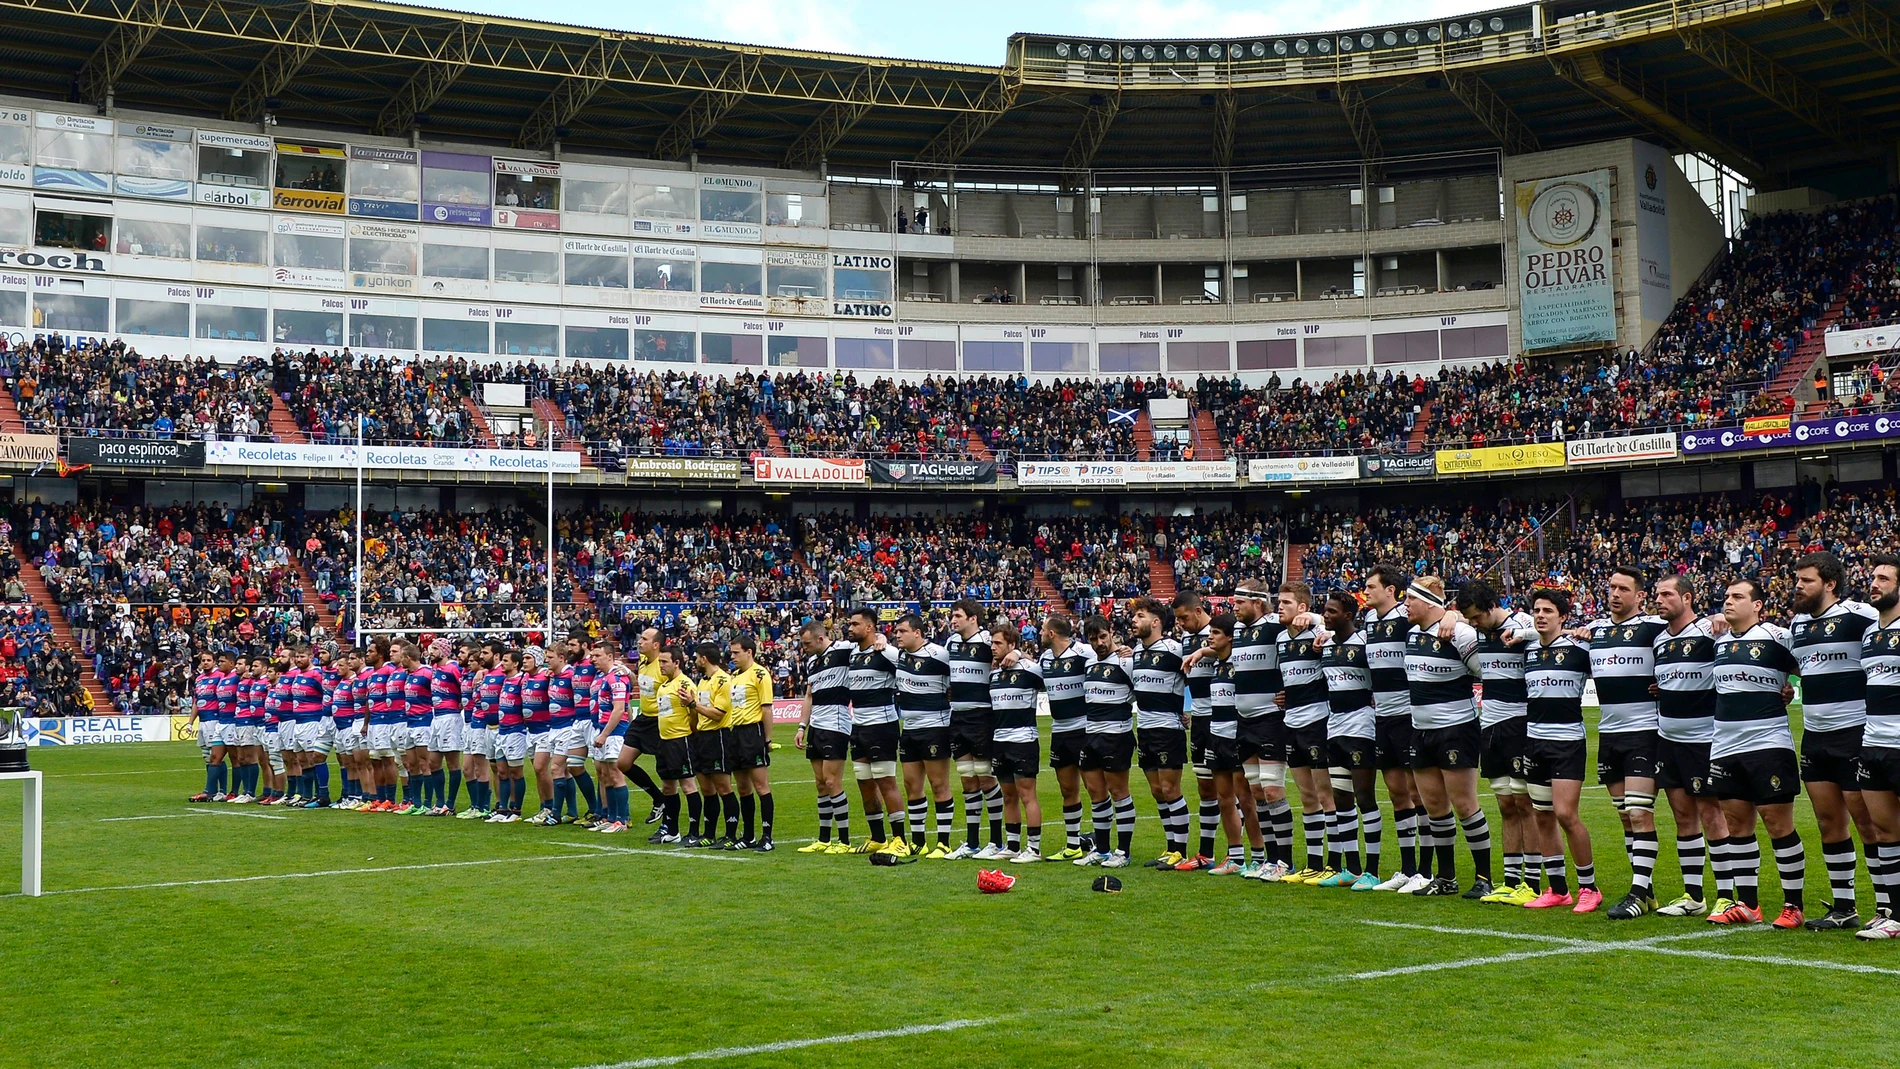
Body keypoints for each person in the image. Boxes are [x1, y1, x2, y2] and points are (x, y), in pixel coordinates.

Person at [1788, 550, 1880, 930]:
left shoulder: (1862, 616)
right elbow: (1795, 667)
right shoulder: (1796, 625)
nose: (1798, 585)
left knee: (1869, 823)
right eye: (1797, 579)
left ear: (1829, 584)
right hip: (1815, 736)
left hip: (1856, 734)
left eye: (1806, 580)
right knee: (1829, 822)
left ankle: (1888, 907)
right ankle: (1845, 906)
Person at [1707, 579, 1807, 929]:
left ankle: (1794, 905)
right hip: (1724, 745)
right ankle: (1748, 904)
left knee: (1778, 824)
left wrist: (1789, 690)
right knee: (1736, 823)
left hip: (1768, 743)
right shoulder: (1717, 642)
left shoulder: (1778, 638)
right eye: (1726, 597)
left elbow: (1807, 669)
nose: (1728, 602)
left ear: (1758, 605)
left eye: (1737, 597)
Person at [1576, 566, 1669, 918]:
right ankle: (1646, 891)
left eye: (1623, 589)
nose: (1614, 594)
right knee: (1626, 819)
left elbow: (1695, 635)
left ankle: (1636, 893)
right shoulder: (1595, 631)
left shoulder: (1654, 629)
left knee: (1639, 814)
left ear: (1639, 595)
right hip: (1609, 734)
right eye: (1611, 587)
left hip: (1645, 733)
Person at [1400, 576, 1494, 898]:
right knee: (1435, 807)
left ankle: (1484, 878)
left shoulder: (1461, 633)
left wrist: (1453, 617)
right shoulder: (1412, 634)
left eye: (1410, 599)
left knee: (1465, 805)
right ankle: (1446, 878)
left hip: (1456, 730)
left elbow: (1487, 671)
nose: (1405, 605)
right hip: (1419, 730)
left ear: (1427, 602)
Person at [1651, 575, 1734, 917]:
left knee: (1712, 813)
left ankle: (1727, 894)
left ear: (1687, 598)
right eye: (1657, 594)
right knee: (1683, 816)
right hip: (1668, 739)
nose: (1660, 599)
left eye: (1667, 594)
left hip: (1703, 740)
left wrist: (1724, 619)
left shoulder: (1710, 632)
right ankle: (1694, 896)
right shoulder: (1658, 640)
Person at [1451, 580, 1536, 905]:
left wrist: (1526, 636)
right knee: (1505, 805)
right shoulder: (1481, 633)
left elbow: (1551, 637)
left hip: (1520, 725)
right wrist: (1453, 619)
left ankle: (1532, 881)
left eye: (1476, 617)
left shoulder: (1522, 623)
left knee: (1525, 804)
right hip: (1491, 726)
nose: (1472, 624)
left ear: (1490, 607)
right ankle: (1511, 881)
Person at [1522, 587, 1599, 911]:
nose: (1540, 615)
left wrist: (1587, 632)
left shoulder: (1580, 651)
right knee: (1543, 816)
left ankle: (1589, 888)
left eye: (1547, 611)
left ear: (1563, 617)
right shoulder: (1527, 650)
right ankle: (1557, 888)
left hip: (1567, 741)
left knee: (1566, 814)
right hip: (1533, 740)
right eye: (1537, 610)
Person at [1363, 565, 1424, 891]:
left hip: (1408, 717)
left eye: (1371, 586)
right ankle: (1407, 868)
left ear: (1391, 590)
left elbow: (1444, 619)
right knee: (1398, 794)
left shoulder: (1406, 619)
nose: (1366, 591)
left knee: (1417, 793)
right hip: (1382, 718)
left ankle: (1425, 871)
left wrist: (1451, 618)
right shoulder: (1370, 622)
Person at [1320, 591, 1382, 890]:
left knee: (1364, 797)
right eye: (1325, 611)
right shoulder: (1325, 646)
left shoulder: (1365, 644)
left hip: (1361, 725)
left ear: (1348, 615)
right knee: (1341, 798)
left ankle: (1372, 870)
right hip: (1335, 727)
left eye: (1332, 611)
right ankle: (1352, 867)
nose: (1326, 615)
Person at [1230, 579, 1292, 879]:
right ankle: (1271, 858)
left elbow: (1313, 625)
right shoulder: (1239, 631)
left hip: (1270, 719)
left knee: (1272, 790)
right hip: (1244, 721)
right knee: (1256, 792)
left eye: (1240, 602)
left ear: (1257, 601)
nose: (1234, 607)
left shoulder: (1274, 627)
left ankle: (1285, 861)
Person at [1276, 581, 1337, 884]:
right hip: (1291, 724)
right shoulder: (1279, 640)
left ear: (1302, 607)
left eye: (1286, 602)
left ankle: (1336, 863)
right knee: (1307, 796)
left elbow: (1338, 633)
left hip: (1318, 722)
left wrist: (1317, 619)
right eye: (1279, 602)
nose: (1280, 607)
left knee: (1326, 795)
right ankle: (1314, 862)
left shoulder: (1319, 634)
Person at [1855, 553, 1900, 939]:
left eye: (1884, 578)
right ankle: (1896, 915)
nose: (1875, 583)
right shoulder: (1870, 633)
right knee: (1885, 831)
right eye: (1873, 577)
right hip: (1873, 743)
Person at [1129, 597, 1191, 869]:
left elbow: (1197, 677)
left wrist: (1189, 710)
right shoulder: (1134, 653)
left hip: (1168, 728)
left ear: (1155, 622)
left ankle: (1181, 850)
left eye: (1139, 616)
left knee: (1170, 789)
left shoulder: (1174, 650)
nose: (1133, 620)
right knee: (1156, 791)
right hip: (1144, 728)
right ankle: (1169, 848)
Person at [890, 613, 955, 857]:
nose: (897, 635)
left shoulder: (939, 654)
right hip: (908, 728)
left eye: (902, 631)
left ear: (917, 632)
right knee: (911, 785)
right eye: (896, 632)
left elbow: (960, 676)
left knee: (939, 784)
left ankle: (944, 842)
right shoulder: (898, 656)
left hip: (934, 727)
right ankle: (918, 841)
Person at [945, 600, 1006, 860]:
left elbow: (1013, 654)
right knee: (967, 780)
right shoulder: (951, 644)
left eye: (957, 615)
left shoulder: (987, 642)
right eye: (952, 615)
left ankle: (996, 842)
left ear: (973, 618)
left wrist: (1017, 654)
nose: (953, 620)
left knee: (985, 778)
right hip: (957, 716)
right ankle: (971, 843)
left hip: (982, 717)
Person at [1075, 616, 1137, 869]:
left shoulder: (1125, 661)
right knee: (1096, 793)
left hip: (1116, 734)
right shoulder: (1089, 663)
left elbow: (1141, 690)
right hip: (1090, 734)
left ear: (1111, 633)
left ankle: (1123, 851)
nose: (1099, 643)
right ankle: (1101, 850)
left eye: (1103, 636)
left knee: (1119, 792)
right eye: (1093, 639)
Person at [844, 607, 906, 855]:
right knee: (864, 782)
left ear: (869, 627)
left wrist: (883, 640)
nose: (850, 628)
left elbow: (909, 664)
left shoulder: (886, 652)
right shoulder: (852, 654)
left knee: (886, 781)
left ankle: (900, 839)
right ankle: (878, 837)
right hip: (858, 726)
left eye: (855, 624)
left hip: (882, 726)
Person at [794, 620, 856, 853]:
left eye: (807, 643)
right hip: (817, 726)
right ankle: (824, 839)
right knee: (820, 784)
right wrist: (802, 726)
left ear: (821, 638)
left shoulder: (842, 650)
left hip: (836, 723)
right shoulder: (812, 661)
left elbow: (867, 645)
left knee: (832, 782)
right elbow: (809, 696)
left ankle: (845, 841)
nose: (804, 647)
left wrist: (880, 639)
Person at [1174, 591, 1223, 871]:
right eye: (1177, 618)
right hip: (1200, 718)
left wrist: (1206, 649)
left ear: (1198, 610)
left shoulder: (1218, 631)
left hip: (1223, 715)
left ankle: (1237, 853)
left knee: (1230, 787)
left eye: (1184, 617)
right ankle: (1206, 852)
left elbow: (1232, 650)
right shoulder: (1185, 638)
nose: (1180, 623)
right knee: (1205, 787)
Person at [1039, 615, 1095, 862]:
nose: (1039, 633)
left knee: (1094, 787)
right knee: (1067, 789)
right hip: (1059, 730)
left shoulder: (1084, 653)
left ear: (1051, 633)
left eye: (1042, 629)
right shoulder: (1045, 659)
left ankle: (1100, 843)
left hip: (1084, 729)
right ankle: (1073, 844)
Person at [989, 623, 1046, 862]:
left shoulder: (1030, 670)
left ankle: (1033, 848)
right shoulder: (993, 673)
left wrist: (1021, 654)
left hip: (1023, 740)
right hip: (999, 741)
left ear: (1012, 645)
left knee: (1027, 795)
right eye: (992, 643)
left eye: (998, 643)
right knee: (1008, 796)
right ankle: (1012, 845)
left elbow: (1047, 675)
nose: (993, 647)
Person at [1200, 612, 1249, 874]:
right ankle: (1236, 857)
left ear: (1230, 637)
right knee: (1224, 799)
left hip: (1236, 736)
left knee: (1246, 799)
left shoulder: (1239, 664)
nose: (1210, 636)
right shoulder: (1217, 664)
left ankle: (1264, 856)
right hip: (1215, 735)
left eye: (1216, 633)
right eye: (1210, 632)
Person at [725, 634, 776, 850]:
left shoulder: (759, 674)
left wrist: (767, 739)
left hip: (752, 733)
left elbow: (766, 708)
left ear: (749, 652)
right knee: (743, 789)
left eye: (736, 652)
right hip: (735, 733)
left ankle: (767, 837)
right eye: (731, 652)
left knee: (761, 786)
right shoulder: (734, 676)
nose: (732, 656)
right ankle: (748, 836)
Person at [615, 627, 670, 825]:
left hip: (660, 721)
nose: (639, 642)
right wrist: (629, 674)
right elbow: (643, 684)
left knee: (666, 772)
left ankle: (668, 816)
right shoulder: (643, 662)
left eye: (645, 639)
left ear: (656, 645)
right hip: (643, 719)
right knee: (623, 762)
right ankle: (658, 799)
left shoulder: (664, 666)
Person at [690, 642, 738, 848]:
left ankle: (730, 835)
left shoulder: (723, 681)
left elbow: (719, 714)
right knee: (706, 789)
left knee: (723, 787)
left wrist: (693, 705)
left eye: (695, 658)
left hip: (718, 736)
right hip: (702, 737)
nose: (694, 662)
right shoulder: (703, 681)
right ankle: (708, 834)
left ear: (704, 658)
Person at [587, 638, 636, 833]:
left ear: (610, 656)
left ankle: (622, 821)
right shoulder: (604, 677)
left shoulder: (616, 677)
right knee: (606, 775)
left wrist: (605, 734)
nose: (593, 659)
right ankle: (612, 817)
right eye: (592, 656)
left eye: (597, 656)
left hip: (614, 732)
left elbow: (619, 710)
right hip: (603, 730)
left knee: (616, 775)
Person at [651, 646, 698, 845]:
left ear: (676, 663)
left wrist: (691, 736)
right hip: (664, 741)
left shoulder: (685, 684)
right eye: (659, 661)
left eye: (664, 662)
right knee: (668, 787)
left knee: (688, 786)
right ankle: (672, 831)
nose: (660, 665)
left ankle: (694, 832)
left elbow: (694, 714)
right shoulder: (664, 686)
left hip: (681, 741)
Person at [487, 647, 528, 823]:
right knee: (502, 771)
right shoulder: (505, 680)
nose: (502, 664)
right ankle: (502, 809)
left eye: (505, 661)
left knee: (516, 772)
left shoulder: (521, 681)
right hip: (501, 731)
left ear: (515, 664)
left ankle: (516, 810)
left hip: (516, 731)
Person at [428, 639, 465, 816]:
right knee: (433, 762)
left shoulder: (453, 668)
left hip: (450, 718)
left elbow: (464, 686)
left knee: (452, 762)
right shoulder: (435, 668)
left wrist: (461, 703)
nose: (431, 651)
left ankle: (449, 804)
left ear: (444, 651)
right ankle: (440, 802)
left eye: (435, 648)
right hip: (436, 717)